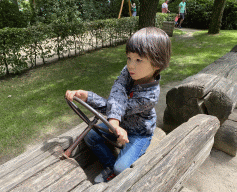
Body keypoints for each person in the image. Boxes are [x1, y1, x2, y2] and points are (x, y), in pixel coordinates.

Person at [65, 27, 171, 184]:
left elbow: (121, 110)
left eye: (138, 60)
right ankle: (109, 165)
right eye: (129, 58)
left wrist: (113, 120)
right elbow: (117, 93)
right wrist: (88, 97)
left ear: (157, 64)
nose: (131, 65)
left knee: (121, 168)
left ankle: (119, 168)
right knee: (90, 136)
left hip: (138, 133)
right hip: (119, 126)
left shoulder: (150, 96)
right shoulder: (128, 72)